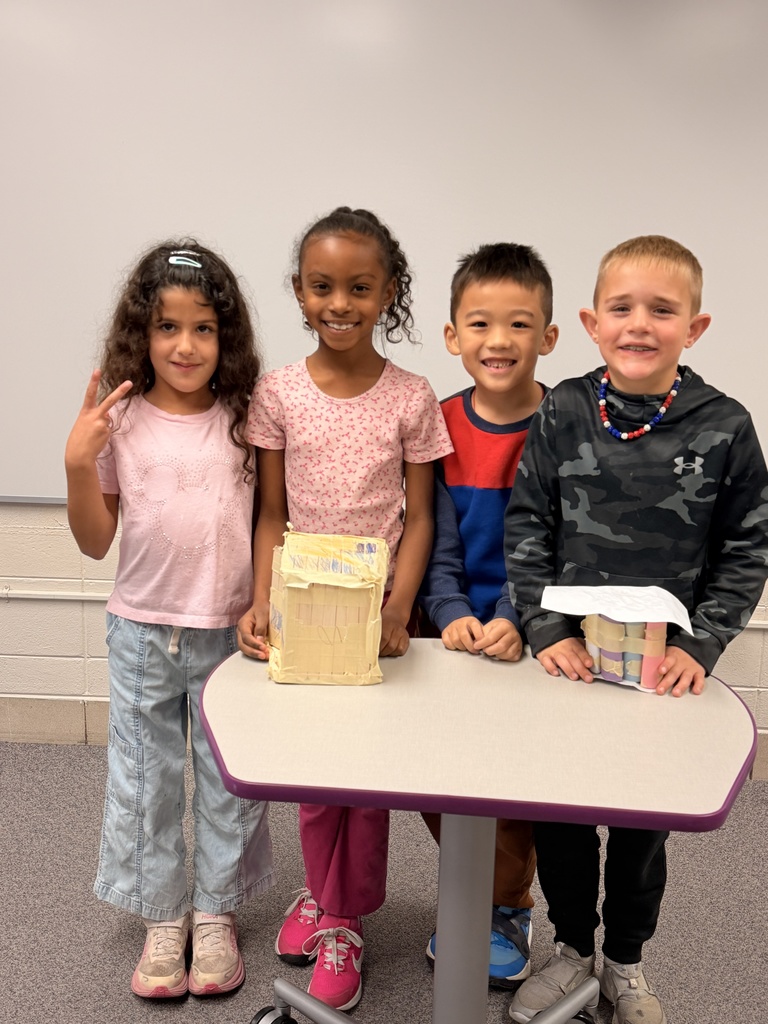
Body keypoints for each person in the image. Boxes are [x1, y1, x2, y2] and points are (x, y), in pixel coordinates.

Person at [504, 235, 768, 1024]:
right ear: (592, 323)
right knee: (562, 816)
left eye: (663, 309)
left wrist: (701, 644)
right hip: (573, 662)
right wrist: (546, 628)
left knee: (642, 827)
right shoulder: (562, 411)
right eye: (621, 308)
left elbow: (748, 546)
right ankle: (569, 949)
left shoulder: (724, 426)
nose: (640, 324)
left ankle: (624, 961)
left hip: (662, 670)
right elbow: (528, 523)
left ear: (696, 326)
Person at [237, 206, 453, 1011]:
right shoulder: (277, 392)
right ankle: (323, 891)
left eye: (360, 288)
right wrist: (261, 600)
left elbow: (421, 518)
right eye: (323, 286)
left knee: (363, 779)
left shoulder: (411, 396)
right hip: (301, 614)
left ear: (388, 292)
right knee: (313, 773)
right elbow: (270, 513)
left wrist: (399, 609)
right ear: (299, 291)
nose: (340, 303)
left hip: (374, 621)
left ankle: (344, 920)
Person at [64, 241, 274, 1000]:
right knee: (146, 780)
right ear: (141, 333)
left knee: (227, 778)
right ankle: (161, 915)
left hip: (228, 632)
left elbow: (269, 519)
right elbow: (94, 542)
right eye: (167, 327)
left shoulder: (245, 417)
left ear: (226, 336)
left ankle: (215, 911)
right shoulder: (117, 422)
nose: (185, 345)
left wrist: (262, 601)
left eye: (203, 329)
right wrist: (76, 463)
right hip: (142, 631)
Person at [418, 243, 558, 987]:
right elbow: (433, 536)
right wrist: (446, 610)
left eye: (519, 324)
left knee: (513, 781)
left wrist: (514, 615)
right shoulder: (439, 424)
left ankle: (507, 906)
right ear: (452, 336)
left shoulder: (564, 424)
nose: (498, 340)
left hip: (531, 635)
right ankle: (471, 891)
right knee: (439, 776)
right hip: (447, 636)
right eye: (479, 323)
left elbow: (554, 541)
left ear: (549, 336)